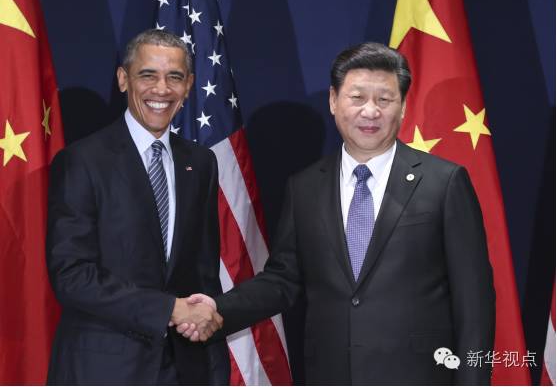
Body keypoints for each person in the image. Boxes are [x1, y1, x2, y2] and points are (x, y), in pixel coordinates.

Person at [179, 42, 495, 385]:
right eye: (357, 97)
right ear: (333, 100)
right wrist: (217, 310)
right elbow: (282, 280)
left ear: (403, 106)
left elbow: (474, 303)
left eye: (384, 99)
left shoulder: (443, 182)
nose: (370, 111)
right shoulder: (305, 187)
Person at [46, 29, 229, 385]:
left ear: (189, 85)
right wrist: (168, 309)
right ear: (123, 79)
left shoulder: (201, 163)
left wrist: (213, 363)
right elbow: (71, 275)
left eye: (174, 77)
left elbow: (204, 273)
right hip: (104, 371)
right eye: (148, 75)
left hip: (184, 369)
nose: (161, 89)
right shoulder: (82, 161)